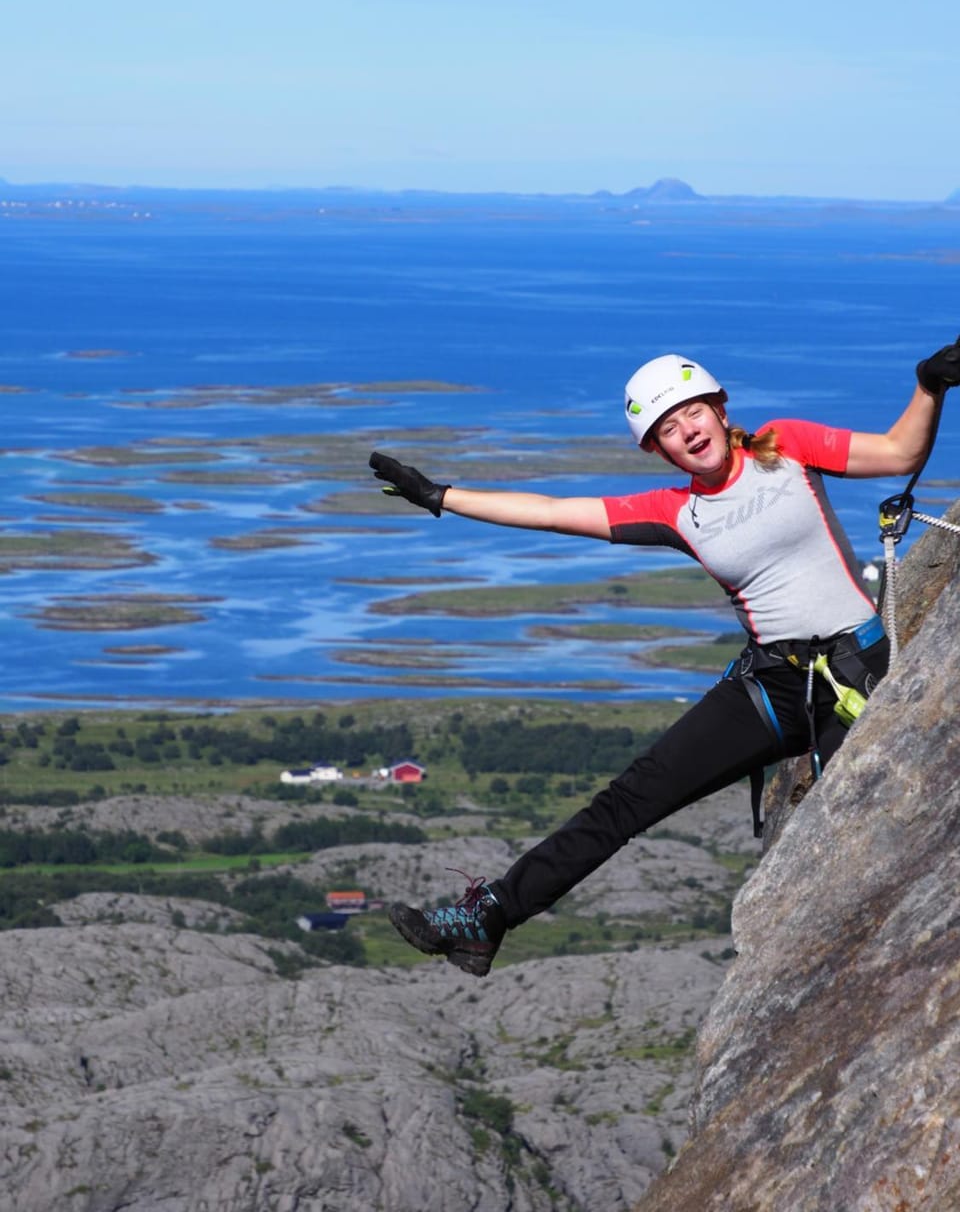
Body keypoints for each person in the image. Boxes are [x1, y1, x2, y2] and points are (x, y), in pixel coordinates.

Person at [368, 340, 960, 978]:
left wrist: (927, 386)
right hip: (771, 685)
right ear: (658, 449)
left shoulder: (785, 445)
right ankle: (491, 916)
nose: (688, 431)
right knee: (628, 799)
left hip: (855, 672)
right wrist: (442, 496)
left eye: (693, 413)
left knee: (873, 841)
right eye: (668, 429)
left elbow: (898, 452)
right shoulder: (676, 512)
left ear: (719, 409)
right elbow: (553, 512)